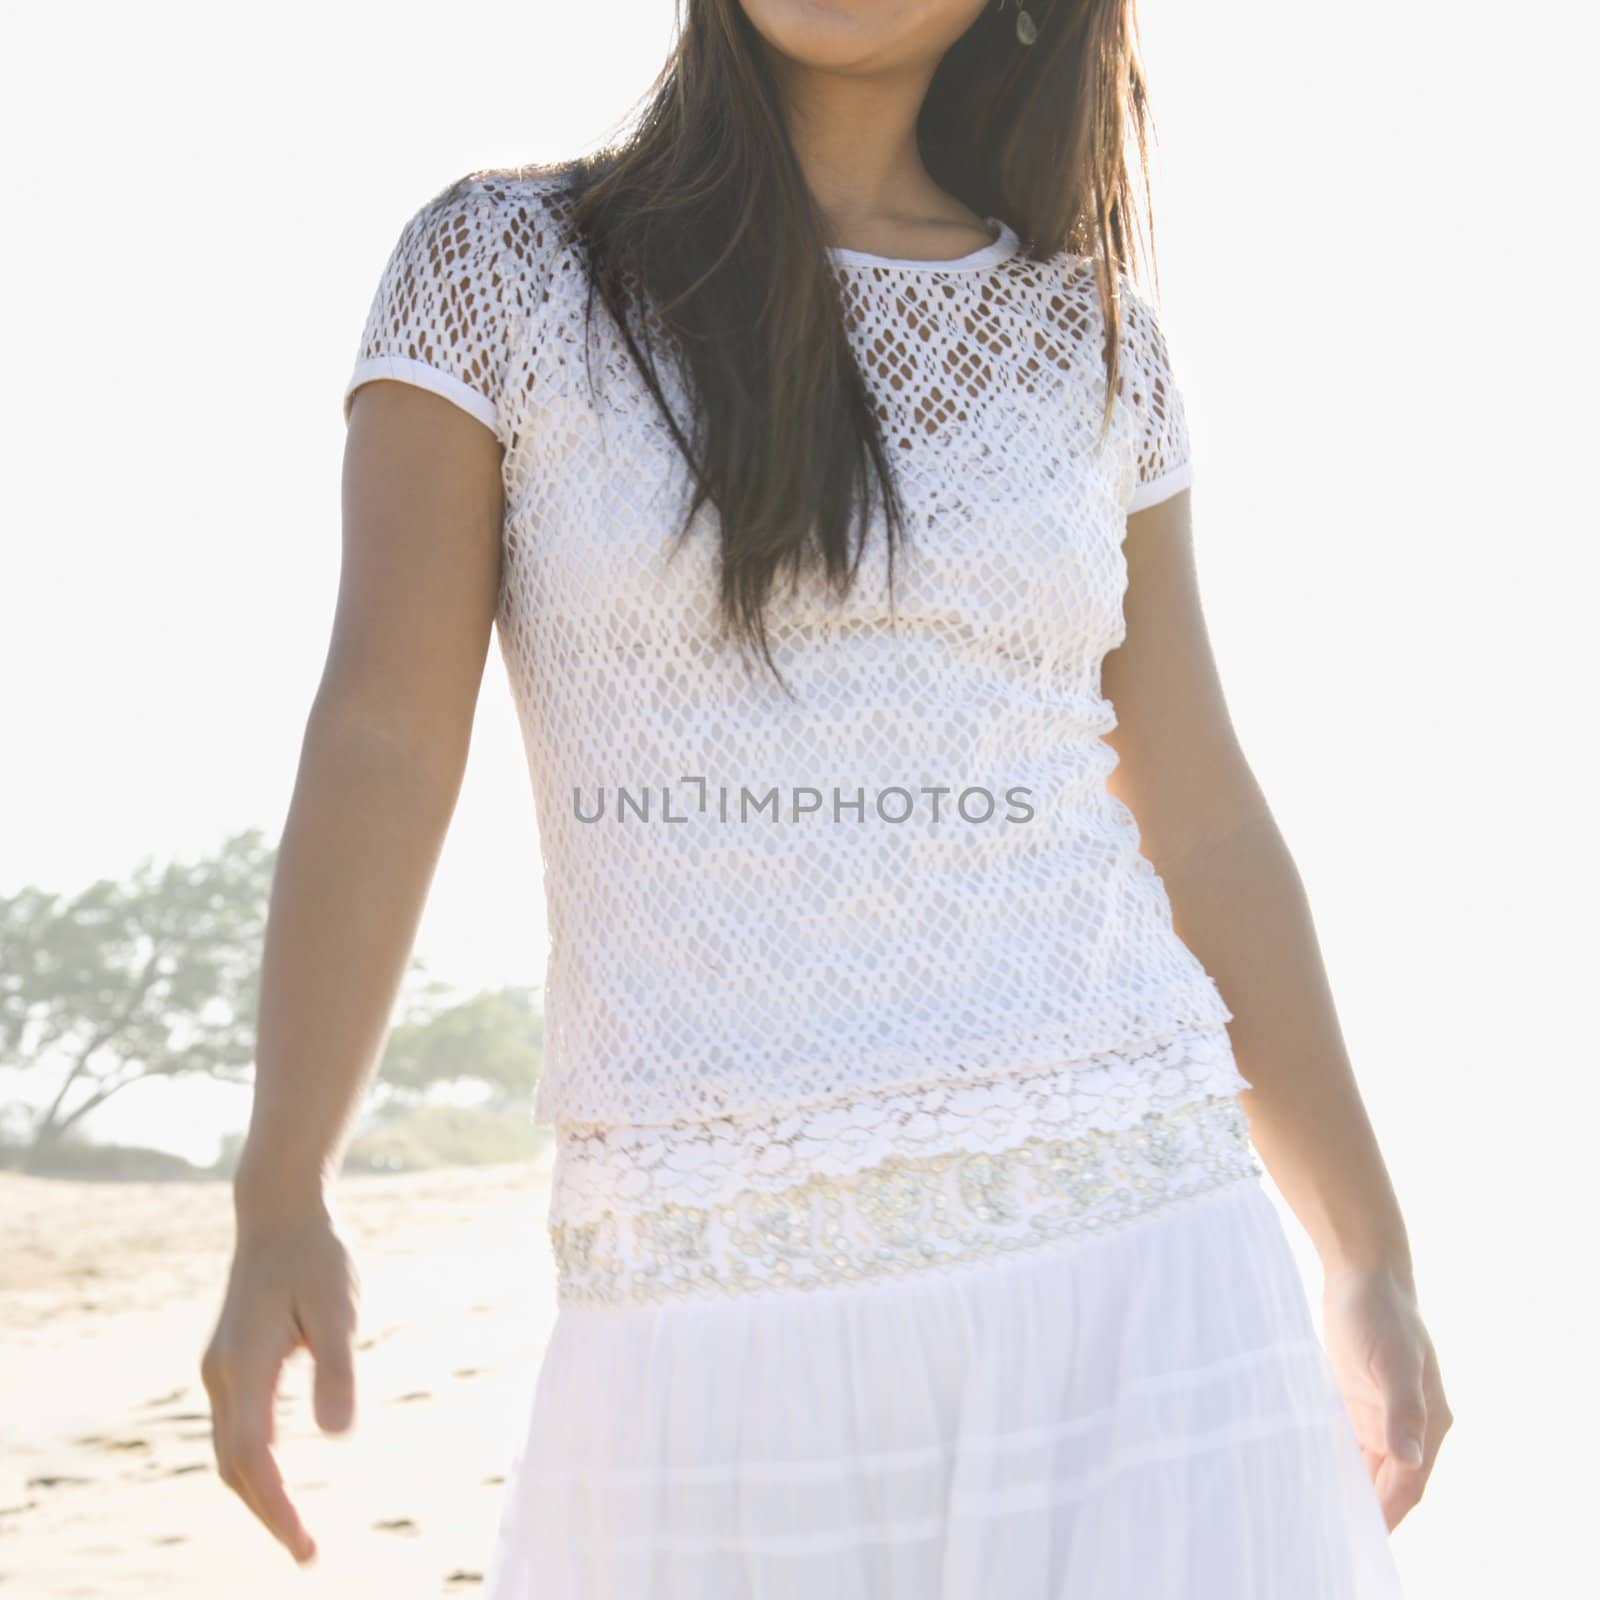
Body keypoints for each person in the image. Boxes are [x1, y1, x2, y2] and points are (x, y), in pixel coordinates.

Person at [200, 1, 1451, 1593]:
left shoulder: (1091, 339)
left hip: (1141, 1255)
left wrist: (1365, 1246)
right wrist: (282, 1180)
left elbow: (1199, 816)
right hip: (707, 1299)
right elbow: (383, 736)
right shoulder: (500, 269)